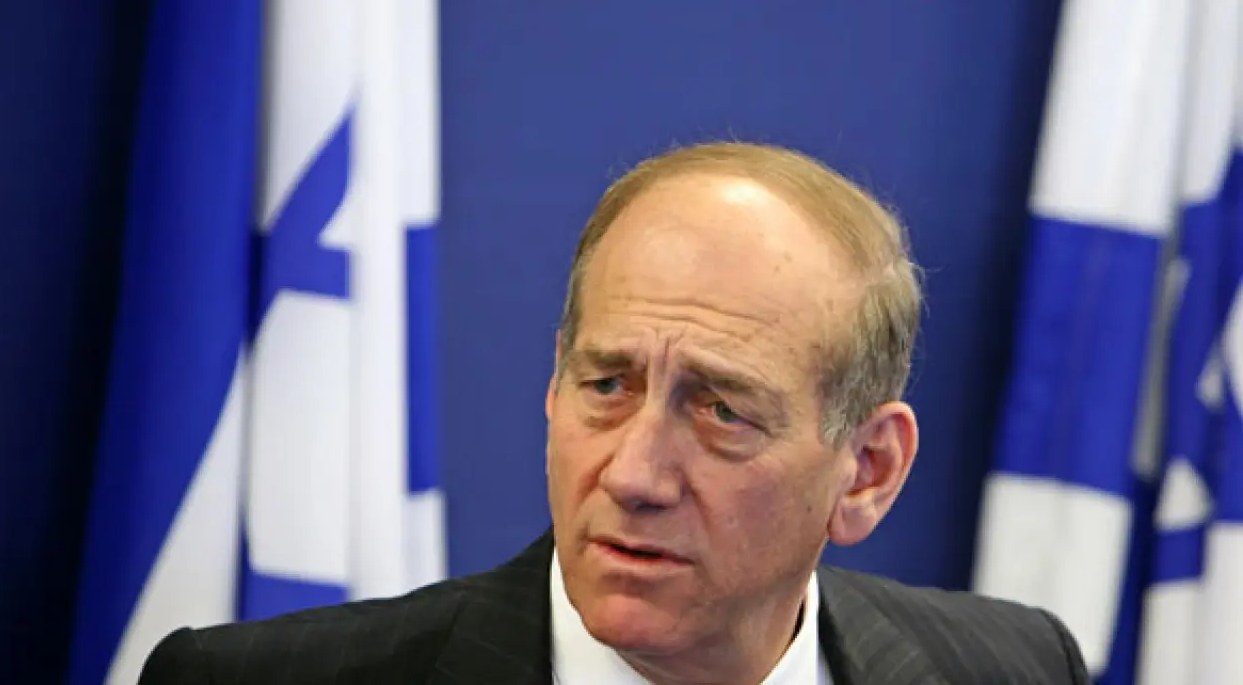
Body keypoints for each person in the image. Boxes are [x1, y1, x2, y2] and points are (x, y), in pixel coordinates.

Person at [138, 141, 1088, 684]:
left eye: (721, 410)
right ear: (555, 388)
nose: (633, 476)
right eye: (607, 386)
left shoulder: (1015, 669)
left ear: (868, 471)